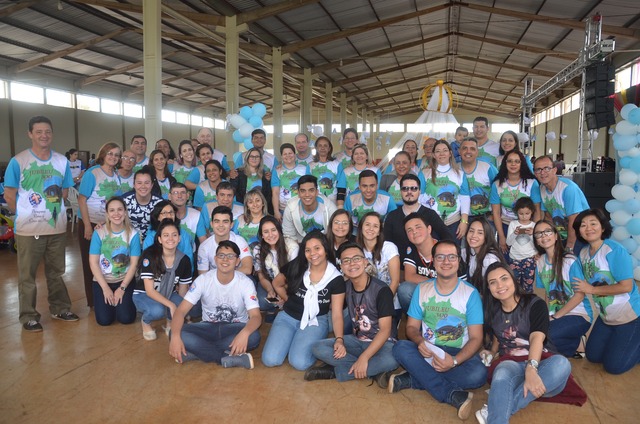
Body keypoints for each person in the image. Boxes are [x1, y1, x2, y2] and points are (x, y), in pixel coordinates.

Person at [389, 240, 486, 421]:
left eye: (451, 257)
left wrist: (455, 361)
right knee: (400, 347)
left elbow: (476, 338)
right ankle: (451, 394)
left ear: (458, 261)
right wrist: (419, 342)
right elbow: (410, 328)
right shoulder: (422, 289)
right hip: (428, 350)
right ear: (433, 261)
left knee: (479, 374)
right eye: (440, 257)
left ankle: (415, 379)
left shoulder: (470, 294)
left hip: (458, 353)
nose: (446, 262)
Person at [4, 115, 79, 332]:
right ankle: (29, 316)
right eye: (38, 132)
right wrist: (27, 214)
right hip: (28, 230)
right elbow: (9, 195)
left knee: (56, 271)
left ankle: (60, 308)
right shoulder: (18, 162)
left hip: (56, 227)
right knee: (27, 275)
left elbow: (64, 192)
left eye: (47, 131)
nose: (43, 135)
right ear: (30, 134)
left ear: (51, 134)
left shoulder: (61, 161)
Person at [475, 262, 572, 424]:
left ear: (513, 279)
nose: (500, 285)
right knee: (502, 370)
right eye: (493, 282)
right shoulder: (492, 311)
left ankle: (495, 408)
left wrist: (532, 369)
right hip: (513, 366)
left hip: (543, 368)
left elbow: (537, 338)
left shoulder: (535, 304)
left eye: (504, 278)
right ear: (489, 288)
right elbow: (498, 336)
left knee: (562, 364)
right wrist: (492, 352)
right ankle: (497, 416)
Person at [306, 241, 398, 382]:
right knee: (317, 347)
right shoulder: (345, 287)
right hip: (357, 340)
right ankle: (371, 370)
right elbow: (335, 311)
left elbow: (385, 331)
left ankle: (336, 371)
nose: (352, 264)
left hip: (382, 344)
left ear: (365, 262)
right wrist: (340, 341)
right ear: (341, 267)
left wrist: (364, 357)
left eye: (356, 259)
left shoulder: (381, 290)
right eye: (346, 261)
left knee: (393, 359)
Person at [169, 240, 261, 369]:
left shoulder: (245, 283)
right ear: (215, 259)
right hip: (208, 327)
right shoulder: (203, 280)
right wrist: (174, 336)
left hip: (235, 328)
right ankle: (225, 358)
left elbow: (256, 316)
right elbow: (180, 311)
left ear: (237, 261)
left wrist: (244, 333)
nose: (225, 260)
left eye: (230, 256)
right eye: (221, 255)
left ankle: (198, 353)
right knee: (177, 332)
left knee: (254, 336)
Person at [261, 231, 346, 370]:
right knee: (270, 359)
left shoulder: (336, 278)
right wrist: (288, 300)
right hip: (288, 317)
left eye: (317, 248)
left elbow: (336, 314)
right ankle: (293, 342)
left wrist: (339, 340)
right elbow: (277, 283)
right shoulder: (298, 266)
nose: (313, 253)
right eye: (308, 250)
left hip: (315, 320)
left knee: (299, 363)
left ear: (325, 250)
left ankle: (303, 342)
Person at [571, 208, 640, 374]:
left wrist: (592, 289)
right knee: (593, 356)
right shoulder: (583, 253)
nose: (588, 228)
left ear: (602, 227)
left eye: (593, 224)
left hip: (629, 317)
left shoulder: (614, 250)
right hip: (605, 317)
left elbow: (626, 286)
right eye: (583, 225)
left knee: (614, 367)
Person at [533, 220, 592, 357]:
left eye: (547, 231)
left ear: (556, 235)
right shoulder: (540, 262)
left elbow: (579, 295)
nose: (544, 236)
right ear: (536, 240)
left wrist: (556, 316)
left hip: (579, 314)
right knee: (536, 335)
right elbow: (548, 293)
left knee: (544, 338)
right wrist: (547, 316)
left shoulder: (569, 260)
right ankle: (576, 343)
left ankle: (573, 343)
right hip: (556, 315)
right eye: (539, 234)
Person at [77, 142, 123, 306]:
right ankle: (93, 301)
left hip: (106, 225)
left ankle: (107, 297)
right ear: (103, 154)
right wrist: (88, 225)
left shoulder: (116, 174)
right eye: (110, 153)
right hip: (90, 223)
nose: (113, 157)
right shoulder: (92, 173)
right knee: (90, 263)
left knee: (106, 262)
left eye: (117, 155)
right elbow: (82, 199)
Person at [133, 220, 192, 341]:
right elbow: (149, 291)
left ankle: (170, 323)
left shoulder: (184, 260)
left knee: (182, 305)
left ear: (179, 238)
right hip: (144, 294)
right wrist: (171, 305)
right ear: (159, 239)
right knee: (157, 310)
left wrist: (182, 311)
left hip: (168, 293)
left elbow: (182, 290)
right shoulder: (150, 256)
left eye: (174, 235)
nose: (170, 238)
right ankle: (146, 322)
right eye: (166, 235)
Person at [89, 196, 140, 326]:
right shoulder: (99, 232)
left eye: (119, 210)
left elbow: (134, 264)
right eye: (112, 210)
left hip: (124, 280)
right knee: (104, 320)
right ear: (107, 214)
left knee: (126, 318)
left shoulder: (133, 233)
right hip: (102, 281)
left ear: (125, 212)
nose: (116, 214)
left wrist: (122, 288)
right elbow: (93, 262)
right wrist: (105, 288)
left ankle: (120, 304)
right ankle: (111, 304)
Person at [383, 174, 454, 267]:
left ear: (419, 191)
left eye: (413, 188)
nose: (409, 191)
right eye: (405, 188)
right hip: (399, 268)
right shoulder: (392, 216)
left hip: (427, 269)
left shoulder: (430, 214)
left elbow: (447, 236)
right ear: (400, 191)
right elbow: (386, 244)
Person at [356, 212, 401, 335]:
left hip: (388, 305)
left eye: (375, 226)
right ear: (361, 227)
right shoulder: (356, 250)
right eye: (367, 225)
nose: (371, 229)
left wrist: (381, 306)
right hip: (363, 307)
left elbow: (395, 281)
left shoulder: (388, 248)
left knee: (388, 342)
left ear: (379, 230)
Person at [534, 155, 589, 253]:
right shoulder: (542, 188)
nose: (542, 173)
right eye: (538, 169)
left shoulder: (568, 188)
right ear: (535, 173)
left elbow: (574, 220)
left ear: (554, 170)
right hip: (561, 236)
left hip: (579, 236)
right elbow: (548, 216)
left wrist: (569, 246)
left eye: (547, 168)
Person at [491, 150, 542, 256]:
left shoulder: (532, 183)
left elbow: (537, 210)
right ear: (505, 164)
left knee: (527, 258)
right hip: (506, 226)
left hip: (527, 227)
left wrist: (535, 230)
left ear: (522, 164)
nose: (513, 164)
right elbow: (496, 213)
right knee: (507, 259)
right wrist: (501, 236)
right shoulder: (497, 184)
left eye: (517, 161)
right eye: (509, 161)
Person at [419, 139, 470, 240]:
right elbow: (419, 198)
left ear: (450, 153)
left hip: (453, 222)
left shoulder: (460, 174)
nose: (441, 154)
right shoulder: (424, 173)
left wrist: (464, 222)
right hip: (430, 223)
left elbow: (464, 198)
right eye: (438, 151)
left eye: (445, 150)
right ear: (433, 155)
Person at [253, 215, 299, 312]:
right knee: (262, 302)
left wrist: (281, 292)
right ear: (262, 235)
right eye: (266, 232)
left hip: (290, 284)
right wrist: (270, 290)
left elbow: (293, 278)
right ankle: (276, 309)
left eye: (273, 230)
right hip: (269, 282)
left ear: (279, 230)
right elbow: (261, 275)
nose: (270, 235)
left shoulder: (292, 247)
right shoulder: (257, 249)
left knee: (291, 300)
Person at [396, 212, 440, 313]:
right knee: (405, 289)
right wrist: (434, 283)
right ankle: (417, 322)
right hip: (425, 292)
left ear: (429, 229)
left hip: (446, 294)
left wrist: (440, 287)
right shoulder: (411, 249)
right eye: (409, 230)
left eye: (418, 227)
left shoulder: (444, 248)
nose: (414, 232)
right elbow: (409, 276)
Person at [197, 206, 252, 276]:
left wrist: (225, 276)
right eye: (217, 221)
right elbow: (203, 275)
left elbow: (247, 269)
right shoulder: (204, 246)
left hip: (238, 280)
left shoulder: (240, 241)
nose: (221, 225)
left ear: (231, 225)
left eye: (225, 222)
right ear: (211, 224)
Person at [282, 175, 337, 243]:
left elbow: (336, 234)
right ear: (298, 193)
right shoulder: (291, 208)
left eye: (311, 190)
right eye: (303, 191)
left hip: (325, 243)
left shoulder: (329, 207)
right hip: (301, 244)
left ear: (317, 192)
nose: (307, 194)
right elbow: (289, 236)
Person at [143, 200, 195, 268]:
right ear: (158, 217)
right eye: (164, 213)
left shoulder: (183, 234)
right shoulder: (150, 237)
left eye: (171, 212)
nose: (169, 216)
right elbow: (147, 262)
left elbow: (189, 259)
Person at [459, 137, 498, 220]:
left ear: (477, 152)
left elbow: (499, 191)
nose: (468, 151)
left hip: (485, 217)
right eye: (464, 148)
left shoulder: (488, 168)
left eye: (472, 149)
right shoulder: (454, 168)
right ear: (459, 151)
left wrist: (494, 215)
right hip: (460, 218)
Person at [462, 217, 504, 292]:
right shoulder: (471, 250)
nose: (474, 235)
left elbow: (494, 289)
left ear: (487, 236)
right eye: (471, 231)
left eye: (480, 233)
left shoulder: (489, 260)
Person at [506, 197, 538, 293]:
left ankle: (528, 304)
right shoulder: (513, 224)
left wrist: (532, 234)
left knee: (528, 284)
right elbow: (508, 243)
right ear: (517, 212)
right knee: (514, 284)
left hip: (529, 258)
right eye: (521, 214)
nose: (524, 216)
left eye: (527, 213)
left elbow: (537, 244)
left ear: (532, 212)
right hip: (514, 258)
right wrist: (515, 234)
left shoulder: (534, 225)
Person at [122, 168, 162, 242]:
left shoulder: (159, 203)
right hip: (128, 240)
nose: (143, 186)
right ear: (134, 185)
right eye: (139, 183)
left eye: (147, 183)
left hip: (152, 242)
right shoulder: (124, 201)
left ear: (152, 185)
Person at [272, 143, 309, 221]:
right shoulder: (277, 171)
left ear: (295, 155)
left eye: (290, 153)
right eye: (285, 154)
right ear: (281, 156)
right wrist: (276, 211)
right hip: (284, 209)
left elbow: (309, 188)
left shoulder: (304, 169)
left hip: (301, 208)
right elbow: (275, 192)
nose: (288, 156)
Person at [231, 146, 273, 213]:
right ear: (247, 158)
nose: (254, 159)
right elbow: (232, 192)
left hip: (260, 211)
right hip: (243, 209)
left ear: (260, 159)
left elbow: (268, 195)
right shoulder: (237, 173)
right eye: (252, 156)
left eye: (257, 157)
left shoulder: (265, 174)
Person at [167, 182, 207, 253]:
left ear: (188, 195)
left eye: (183, 192)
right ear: (169, 196)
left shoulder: (196, 215)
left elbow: (203, 242)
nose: (179, 196)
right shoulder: (164, 214)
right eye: (175, 193)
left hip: (189, 255)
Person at [309, 136, 341, 203]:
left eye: (325, 145)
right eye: (320, 145)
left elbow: (341, 186)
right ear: (316, 148)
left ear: (329, 148)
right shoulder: (310, 166)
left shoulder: (337, 165)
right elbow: (308, 186)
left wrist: (339, 203)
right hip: (315, 203)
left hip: (333, 203)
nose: (322, 148)